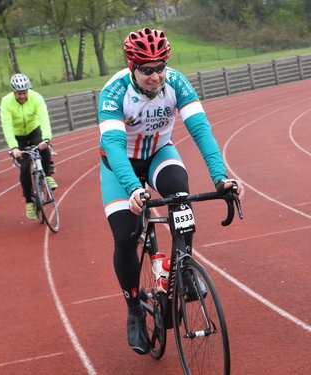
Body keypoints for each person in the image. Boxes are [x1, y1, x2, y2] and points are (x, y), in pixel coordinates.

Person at [98, 27, 245, 355]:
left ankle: (184, 265)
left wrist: (221, 178)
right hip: (119, 165)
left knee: (180, 195)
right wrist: (134, 189)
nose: (155, 76)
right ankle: (134, 309)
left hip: (159, 154)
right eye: (147, 70)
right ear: (131, 65)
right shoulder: (114, 92)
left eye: (160, 67)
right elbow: (113, 144)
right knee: (124, 235)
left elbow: (201, 131)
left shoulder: (177, 83)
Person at [0, 73, 58, 220]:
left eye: (24, 92)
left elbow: (43, 117)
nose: (22, 96)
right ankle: (28, 201)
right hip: (18, 136)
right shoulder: (6, 102)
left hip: (34, 129)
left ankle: (47, 174)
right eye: (19, 93)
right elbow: (6, 126)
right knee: (25, 167)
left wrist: (46, 138)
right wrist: (13, 147)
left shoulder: (36, 97)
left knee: (43, 148)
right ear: (14, 92)